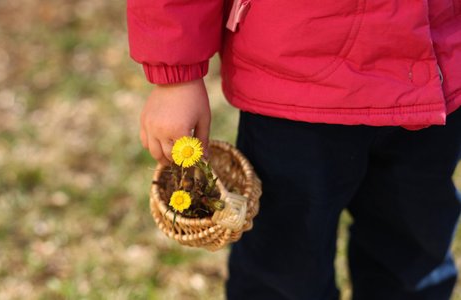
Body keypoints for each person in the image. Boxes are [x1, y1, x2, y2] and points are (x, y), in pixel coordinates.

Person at [127, 0, 461, 299]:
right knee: (283, 268)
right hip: (295, 88)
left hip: (437, 70)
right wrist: (176, 75)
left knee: (414, 257)